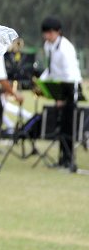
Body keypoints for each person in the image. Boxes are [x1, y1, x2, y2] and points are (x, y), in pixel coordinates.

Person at [39, 16, 83, 169]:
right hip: (59, 89)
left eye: (50, 33)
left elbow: (70, 75)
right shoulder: (48, 46)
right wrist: (40, 82)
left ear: (58, 32)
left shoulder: (66, 48)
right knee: (60, 126)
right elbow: (51, 69)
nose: (47, 36)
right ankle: (61, 159)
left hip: (70, 88)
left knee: (68, 127)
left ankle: (69, 160)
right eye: (46, 33)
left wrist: (64, 98)